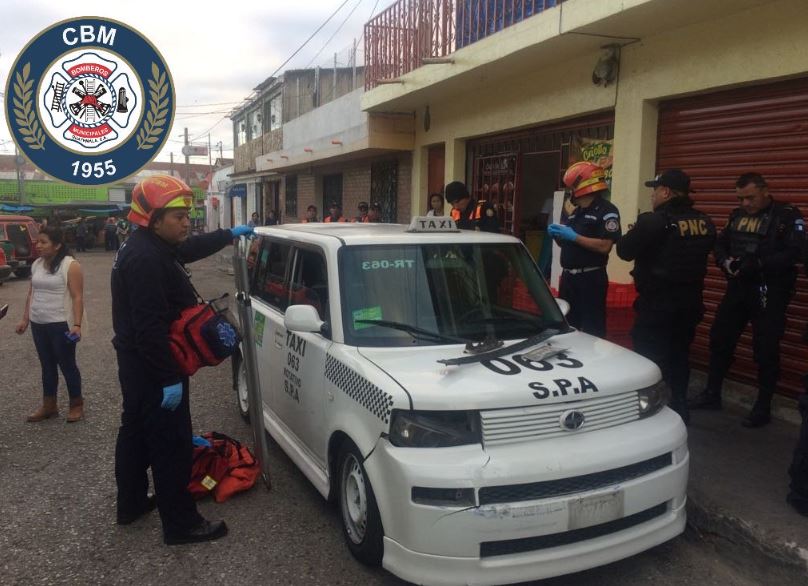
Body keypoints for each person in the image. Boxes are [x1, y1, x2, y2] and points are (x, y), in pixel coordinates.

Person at [111, 174, 254, 544]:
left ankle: (130, 504)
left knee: (136, 432)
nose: (187, 221)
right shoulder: (145, 260)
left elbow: (188, 249)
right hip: (154, 365)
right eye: (178, 216)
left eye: (188, 214)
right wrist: (168, 379)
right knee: (170, 445)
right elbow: (149, 331)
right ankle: (181, 524)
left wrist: (228, 234)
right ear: (154, 218)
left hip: (137, 364)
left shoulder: (148, 245)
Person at [690, 172, 805, 428]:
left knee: (765, 348)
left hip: (769, 290)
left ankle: (763, 406)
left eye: (750, 197)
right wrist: (726, 262)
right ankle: (712, 393)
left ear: (765, 191)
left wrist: (760, 264)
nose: (745, 204)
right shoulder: (737, 216)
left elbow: (796, 252)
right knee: (720, 338)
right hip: (738, 287)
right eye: (740, 198)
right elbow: (720, 244)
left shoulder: (787, 216)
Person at [616, 169, 716, 423]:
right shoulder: (704, 222)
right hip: (690, 303)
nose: (652, 196)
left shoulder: (653, 221)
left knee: (650, 357)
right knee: (680, 354)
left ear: (666, 192)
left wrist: (637, 230)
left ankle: (652, 412)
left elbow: (624, 251)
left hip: (658, 303)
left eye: (654, 191)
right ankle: (680, 405)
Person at [15, 226, 85, 423]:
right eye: (38, 242)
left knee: (67, 365)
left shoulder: (70, 265)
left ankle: (76, 404)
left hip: (60, 324)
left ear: (57, 245)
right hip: (39, 323)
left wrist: (77, 325)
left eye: (43, 242)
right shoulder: (37, 264)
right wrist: (25, 319)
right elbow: (32, 292)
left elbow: (77, 297)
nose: (38, 246)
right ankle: (49, 405)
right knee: (47, 366)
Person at [548, 162, 621, 338]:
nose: (570, 191)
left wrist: (574, 237)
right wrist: (559, 237)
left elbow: (605, 246)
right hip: (568, 278)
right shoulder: (574, 211)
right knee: (567, 326)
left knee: (592, 328)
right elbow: (567, 244)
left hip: (590, 279)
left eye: (571, 187)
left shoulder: (607, 211)